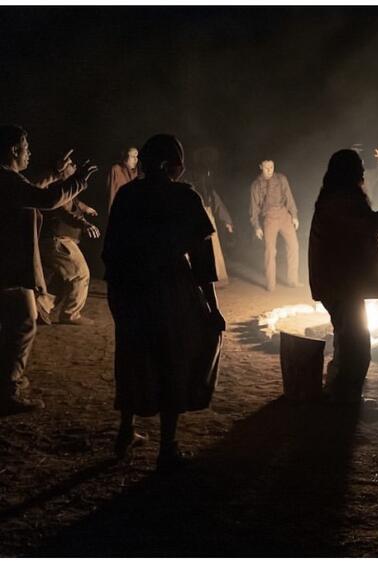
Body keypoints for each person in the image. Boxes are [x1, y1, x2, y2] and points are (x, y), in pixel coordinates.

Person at [103, 134, 225, 471]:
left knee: (133, 356)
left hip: (130, 289)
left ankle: (126, 430)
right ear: (174, 163)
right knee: (174, 359)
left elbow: (111, 252)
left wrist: (118, 298)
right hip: (170, 290)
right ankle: (167, 447)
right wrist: (212, 308)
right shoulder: (183, 196)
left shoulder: (128, 195)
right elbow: (202, 260)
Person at [0, 124, 97, 415]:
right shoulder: (6, 180)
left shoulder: (10, 180)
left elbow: (34, 190)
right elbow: (45, 199)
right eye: (26, 148)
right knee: (24, 323)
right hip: (10, 266)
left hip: (11, 264)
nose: (30, 153)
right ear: (14, 149)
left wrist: (55, 174)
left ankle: (8, 382)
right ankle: (9, 389)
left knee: (16, 323)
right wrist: (78, 180)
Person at [308, 149, 378, 403]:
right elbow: (366, 224)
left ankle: (341, 392)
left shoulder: (336, 197)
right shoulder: (341, 200)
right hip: (340, 282)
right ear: (350, 172)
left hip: (339, 281)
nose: (364, 172)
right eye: (360, 168)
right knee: (355, 344)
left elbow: (360, 229)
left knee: (349, 340)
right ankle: (343, 397)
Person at [38, 197, 101, 325]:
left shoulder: (62, 184)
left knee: (64, 277)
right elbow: (62, 211)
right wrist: (84, 223)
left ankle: (42, 306)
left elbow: (74, 200)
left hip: (56, 239)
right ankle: (71, 314)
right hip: (58, 239)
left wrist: (85, 208)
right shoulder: (59, 185)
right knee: (80, 274)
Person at [249, 159, 300, 291]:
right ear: (260, 167)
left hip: (284, 215)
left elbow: (289, 197)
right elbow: (254, 207)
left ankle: (293, 280)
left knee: (294, 246)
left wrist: (294, 215)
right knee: (270, 251)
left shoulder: (281, 179)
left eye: (271, 167)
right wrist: (256, 226)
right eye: (266, 167)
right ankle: (271, 284)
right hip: (269, 218)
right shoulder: (256, 185)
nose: (269, 170)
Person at [191, 148, 234, 285]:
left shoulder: (209, 189)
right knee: (199, 251)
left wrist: (227, 221)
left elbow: (216, 203)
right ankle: (202, 280)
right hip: (196, 219)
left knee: (212, 250)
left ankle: (217, 278)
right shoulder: (191, 187)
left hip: (208, 217)